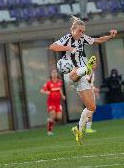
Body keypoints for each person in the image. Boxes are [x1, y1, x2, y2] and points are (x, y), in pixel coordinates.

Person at [49, 15, 117, 145]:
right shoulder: (67, 38)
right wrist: (69, 48)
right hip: (70, 73)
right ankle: (86, 69)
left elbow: (98, 40)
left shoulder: (83, 39)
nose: (81, 33)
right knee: (76, 71)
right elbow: (53, 46)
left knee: (92, 107)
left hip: (81, 77)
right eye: (79, 31)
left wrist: (110, 36)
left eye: (83, 31)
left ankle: (79, 130)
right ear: (72, 30)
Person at [40, 69, 66, 135]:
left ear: (57, 74)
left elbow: (60, 89)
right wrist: (46, 92)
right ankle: (49, 131)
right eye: (53, 73)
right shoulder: (48, 83)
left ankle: (50, 121)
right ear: (51, 74)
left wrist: (62, 95)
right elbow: (42, 90)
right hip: (51, 102)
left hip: (58, 102)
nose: (54, 74)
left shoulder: (59, 82)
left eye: (55, 72)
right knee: (53, 116)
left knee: (59, 117)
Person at [85, 63, 99, 133]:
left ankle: (87, 127)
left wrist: (94, 90)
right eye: (95, 63)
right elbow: (86, 81)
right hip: (88, 92)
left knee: (91, 110)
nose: (96, 64)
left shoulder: (91, 71)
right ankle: (87, 128)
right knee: (90, 110)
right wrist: (94, 88)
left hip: (90, 92)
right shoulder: (89, 71)